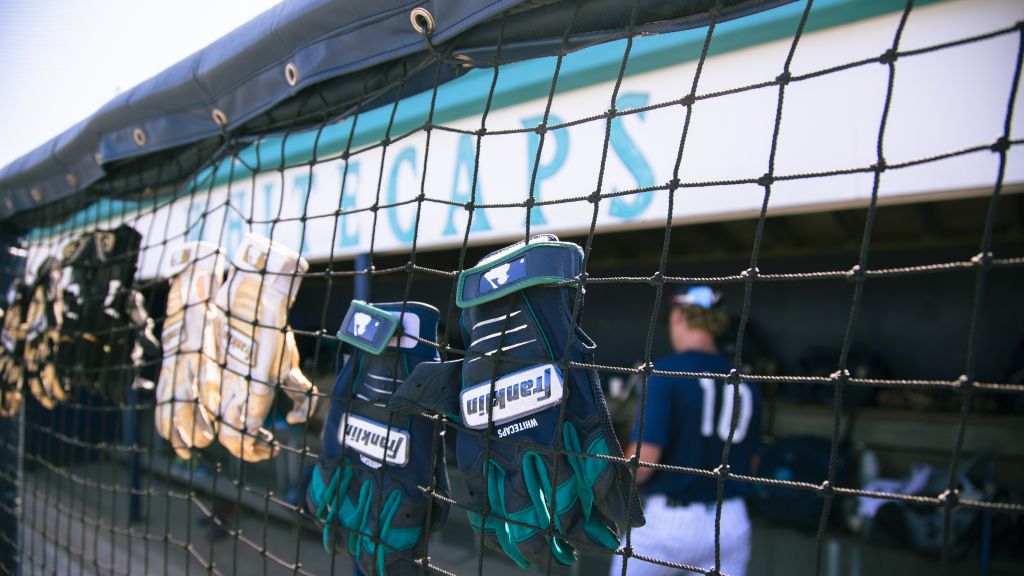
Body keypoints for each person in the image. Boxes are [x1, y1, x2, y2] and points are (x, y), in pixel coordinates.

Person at [610, 286, 762, 576]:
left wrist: (600, 480)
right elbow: (752, 465)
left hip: (671, 522)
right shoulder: (746, 381)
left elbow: (644, 465)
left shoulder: (667, 372)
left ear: (679, 316)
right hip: (731, 522)